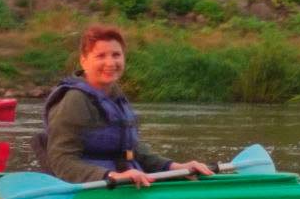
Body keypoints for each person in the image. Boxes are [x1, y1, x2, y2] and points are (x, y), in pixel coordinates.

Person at [37, 24, 213, 187]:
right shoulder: (74, 100)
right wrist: (111, 176)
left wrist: (175, 167)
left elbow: (132, 151)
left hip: (126, 184)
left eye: (116, 55)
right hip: (92, 190)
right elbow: (61, 161)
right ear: (84, 61)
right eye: (101, 56)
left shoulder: (116, 97)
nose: (111, 63)